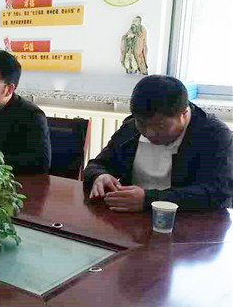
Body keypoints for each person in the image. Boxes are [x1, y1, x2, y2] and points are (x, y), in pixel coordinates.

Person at [84, 75, 233, 212]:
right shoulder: (131, 127)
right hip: (130, 218)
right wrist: (100, 175)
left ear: (184, 114)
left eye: (160, 126)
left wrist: (149, 200)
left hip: (188, 222)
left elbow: (219, 193)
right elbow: (96, 165)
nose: (149, 133)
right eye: (141, 124)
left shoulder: (214, 135)